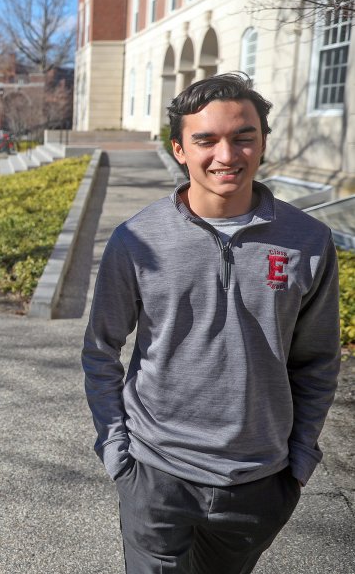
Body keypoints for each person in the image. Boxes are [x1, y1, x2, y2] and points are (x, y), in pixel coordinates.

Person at [81, 72, 340, 573]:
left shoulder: (308, 241)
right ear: (179, 149)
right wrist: (117, 453)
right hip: (156, 474)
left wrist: (299, 462)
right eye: (206, 140)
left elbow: (317, 360)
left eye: (243, 137)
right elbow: (100, 350)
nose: (227, 155)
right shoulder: (136, 240)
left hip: (259, 480)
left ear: (263, 142)